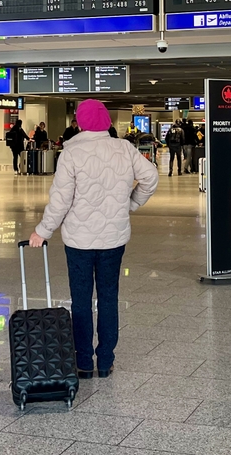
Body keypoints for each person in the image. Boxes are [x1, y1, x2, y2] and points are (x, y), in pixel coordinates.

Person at [29, 99, 158, 380]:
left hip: (79, 240)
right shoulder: (125, 148)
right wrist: (131, 204)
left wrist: (43, 230)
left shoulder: (71, 153)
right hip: (114, 238)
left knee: (81, 301)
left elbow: (61, 200)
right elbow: (150, 177)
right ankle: (106, 361)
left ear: (80, 122)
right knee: (109, 298)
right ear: (107, 122)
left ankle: (84, 362)